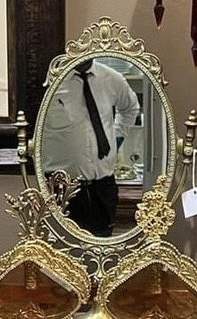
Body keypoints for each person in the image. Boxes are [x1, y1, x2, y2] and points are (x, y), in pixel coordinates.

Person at [39, 59, 141, 237]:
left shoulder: (111, 78)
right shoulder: (51, 81)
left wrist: (116, 139)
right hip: (61, 188)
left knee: (103, 251)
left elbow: (130, 108)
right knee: (60, 254)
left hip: (102, 187)